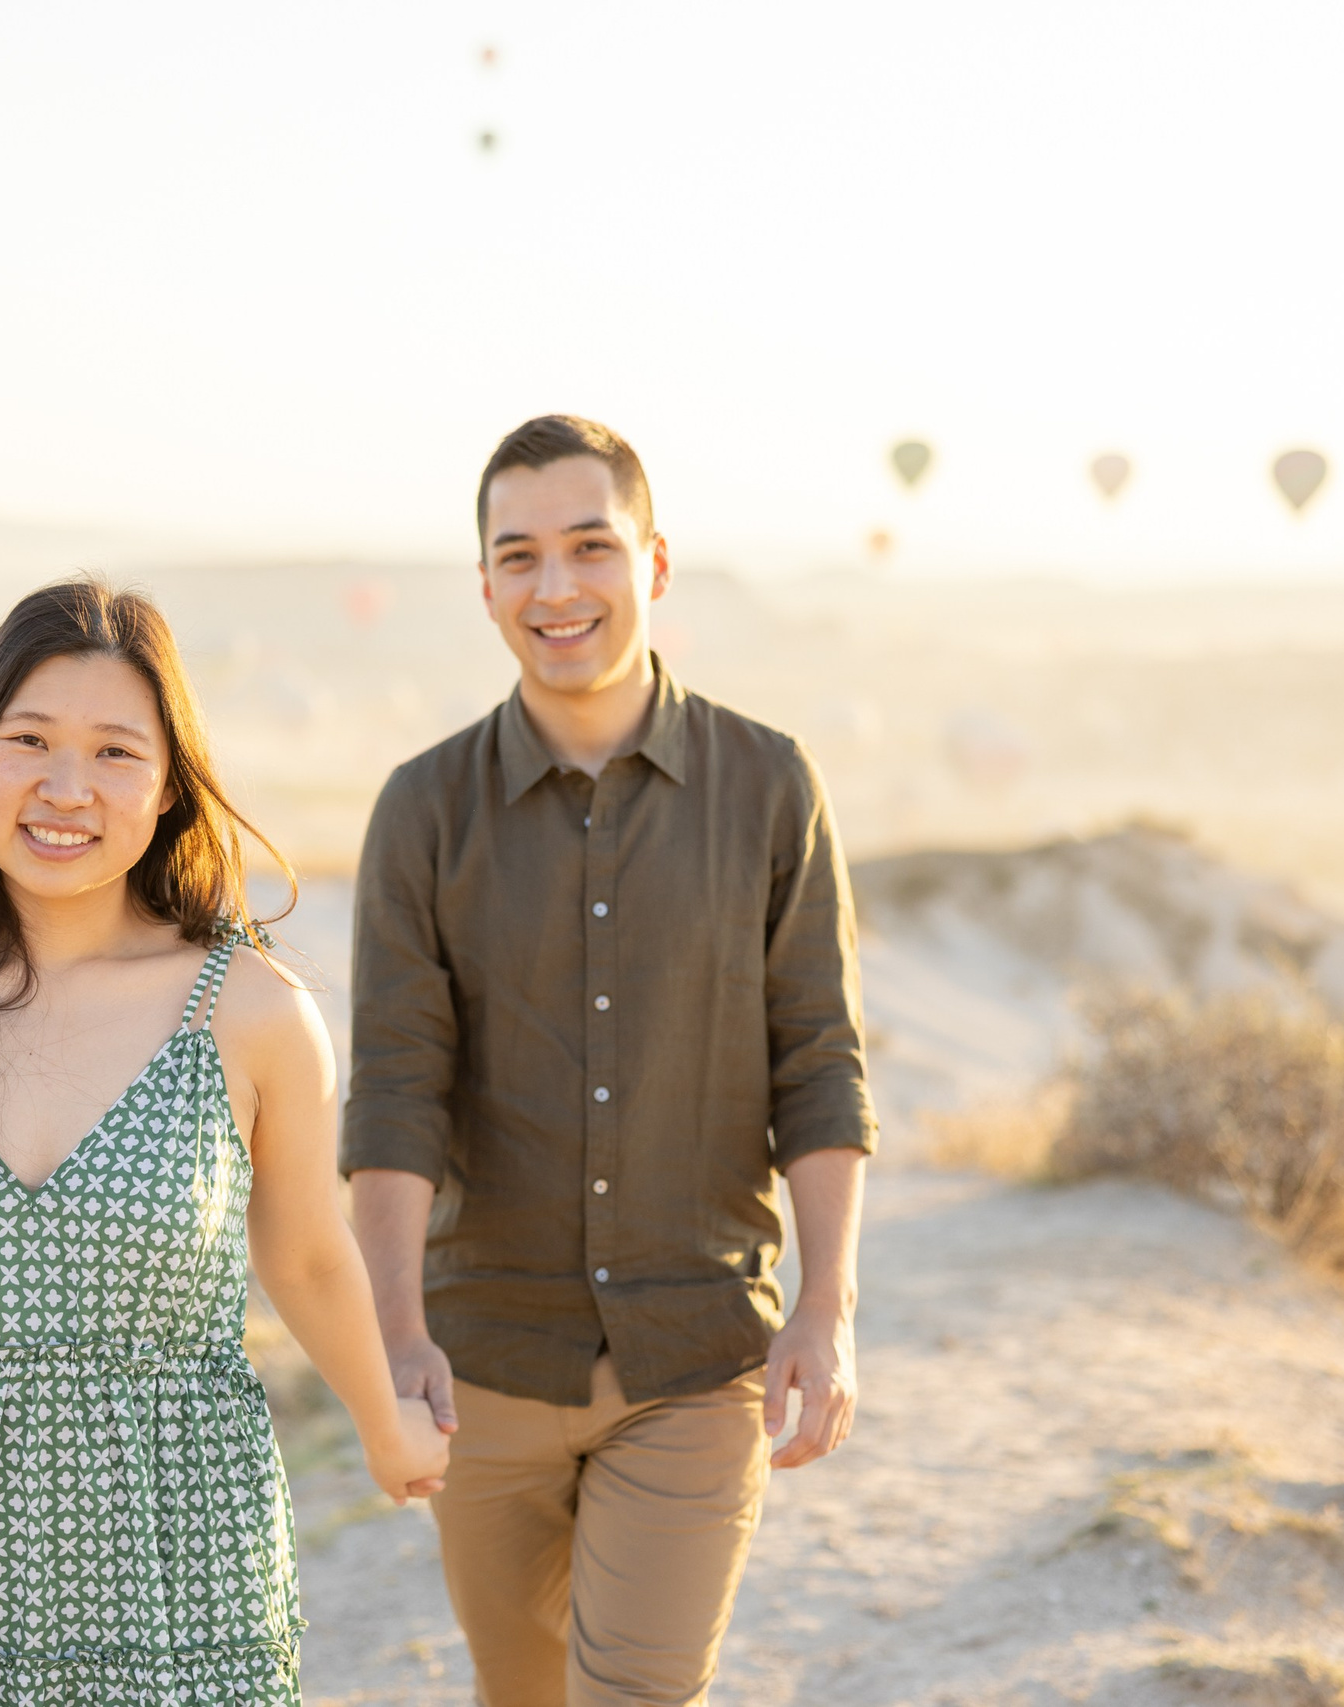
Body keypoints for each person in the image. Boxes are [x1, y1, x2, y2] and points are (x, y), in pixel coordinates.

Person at [0, 579, 449, 1707]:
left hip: (173, 1575)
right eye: (30, 740)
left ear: (168, 791)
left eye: (114, 753)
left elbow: (303, 1256)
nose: (66, 789)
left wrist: (385, 1426)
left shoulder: (251, 1014)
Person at [344, 416, 876, 1706]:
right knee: (519, 1691)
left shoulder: (768, 786)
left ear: (654, 562)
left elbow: (817, 1057)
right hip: (485, 1369)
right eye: (517, 557)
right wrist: (396, 1332)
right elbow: (396, 1091)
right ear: (484, 588)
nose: (556, 587)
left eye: (590, 547)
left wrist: (828, 1303)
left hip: (694, 1358)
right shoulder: (424, 808)